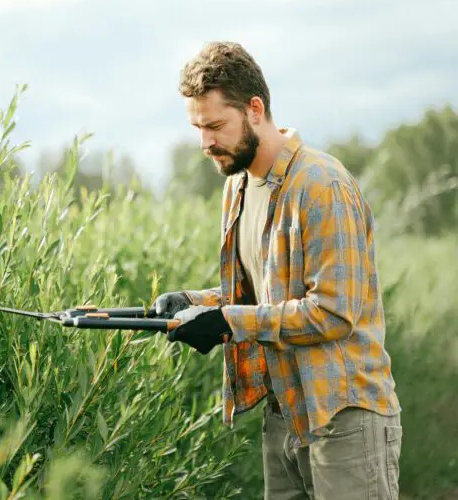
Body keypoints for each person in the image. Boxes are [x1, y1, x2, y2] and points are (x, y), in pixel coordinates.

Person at [154, 41, 402, 499]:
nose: (205, 142)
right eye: (196, 127)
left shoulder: (321, 185)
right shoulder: (238, 187)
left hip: (343, 420)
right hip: (283, 417)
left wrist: (228, 322)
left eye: (214, 126)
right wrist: (194, 303)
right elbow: (263, 294)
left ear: (254, 109)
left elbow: (332, 312)